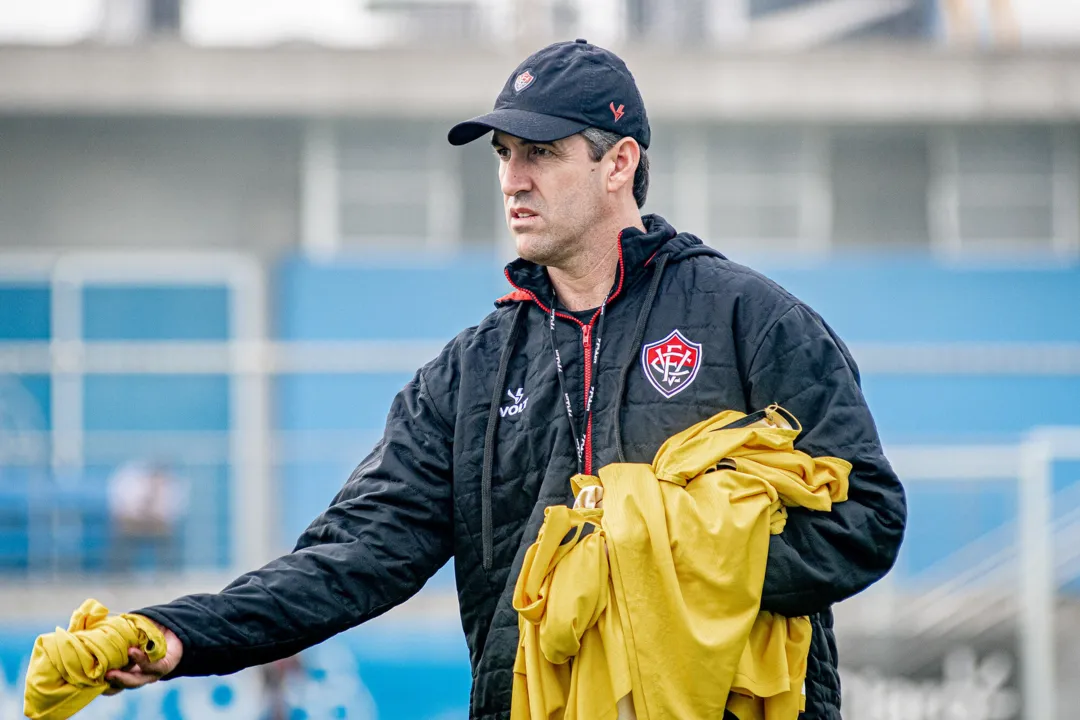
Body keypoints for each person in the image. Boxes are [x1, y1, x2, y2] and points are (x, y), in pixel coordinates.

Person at [103, 40, 906, 719]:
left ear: (619, 163)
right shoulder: (469, 372)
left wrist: (656, 567)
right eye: (504, 155)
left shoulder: (750, 321)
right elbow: (356, 554)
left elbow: (865, 516)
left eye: (542, 153)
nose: (512, 178)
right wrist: (181, 635)